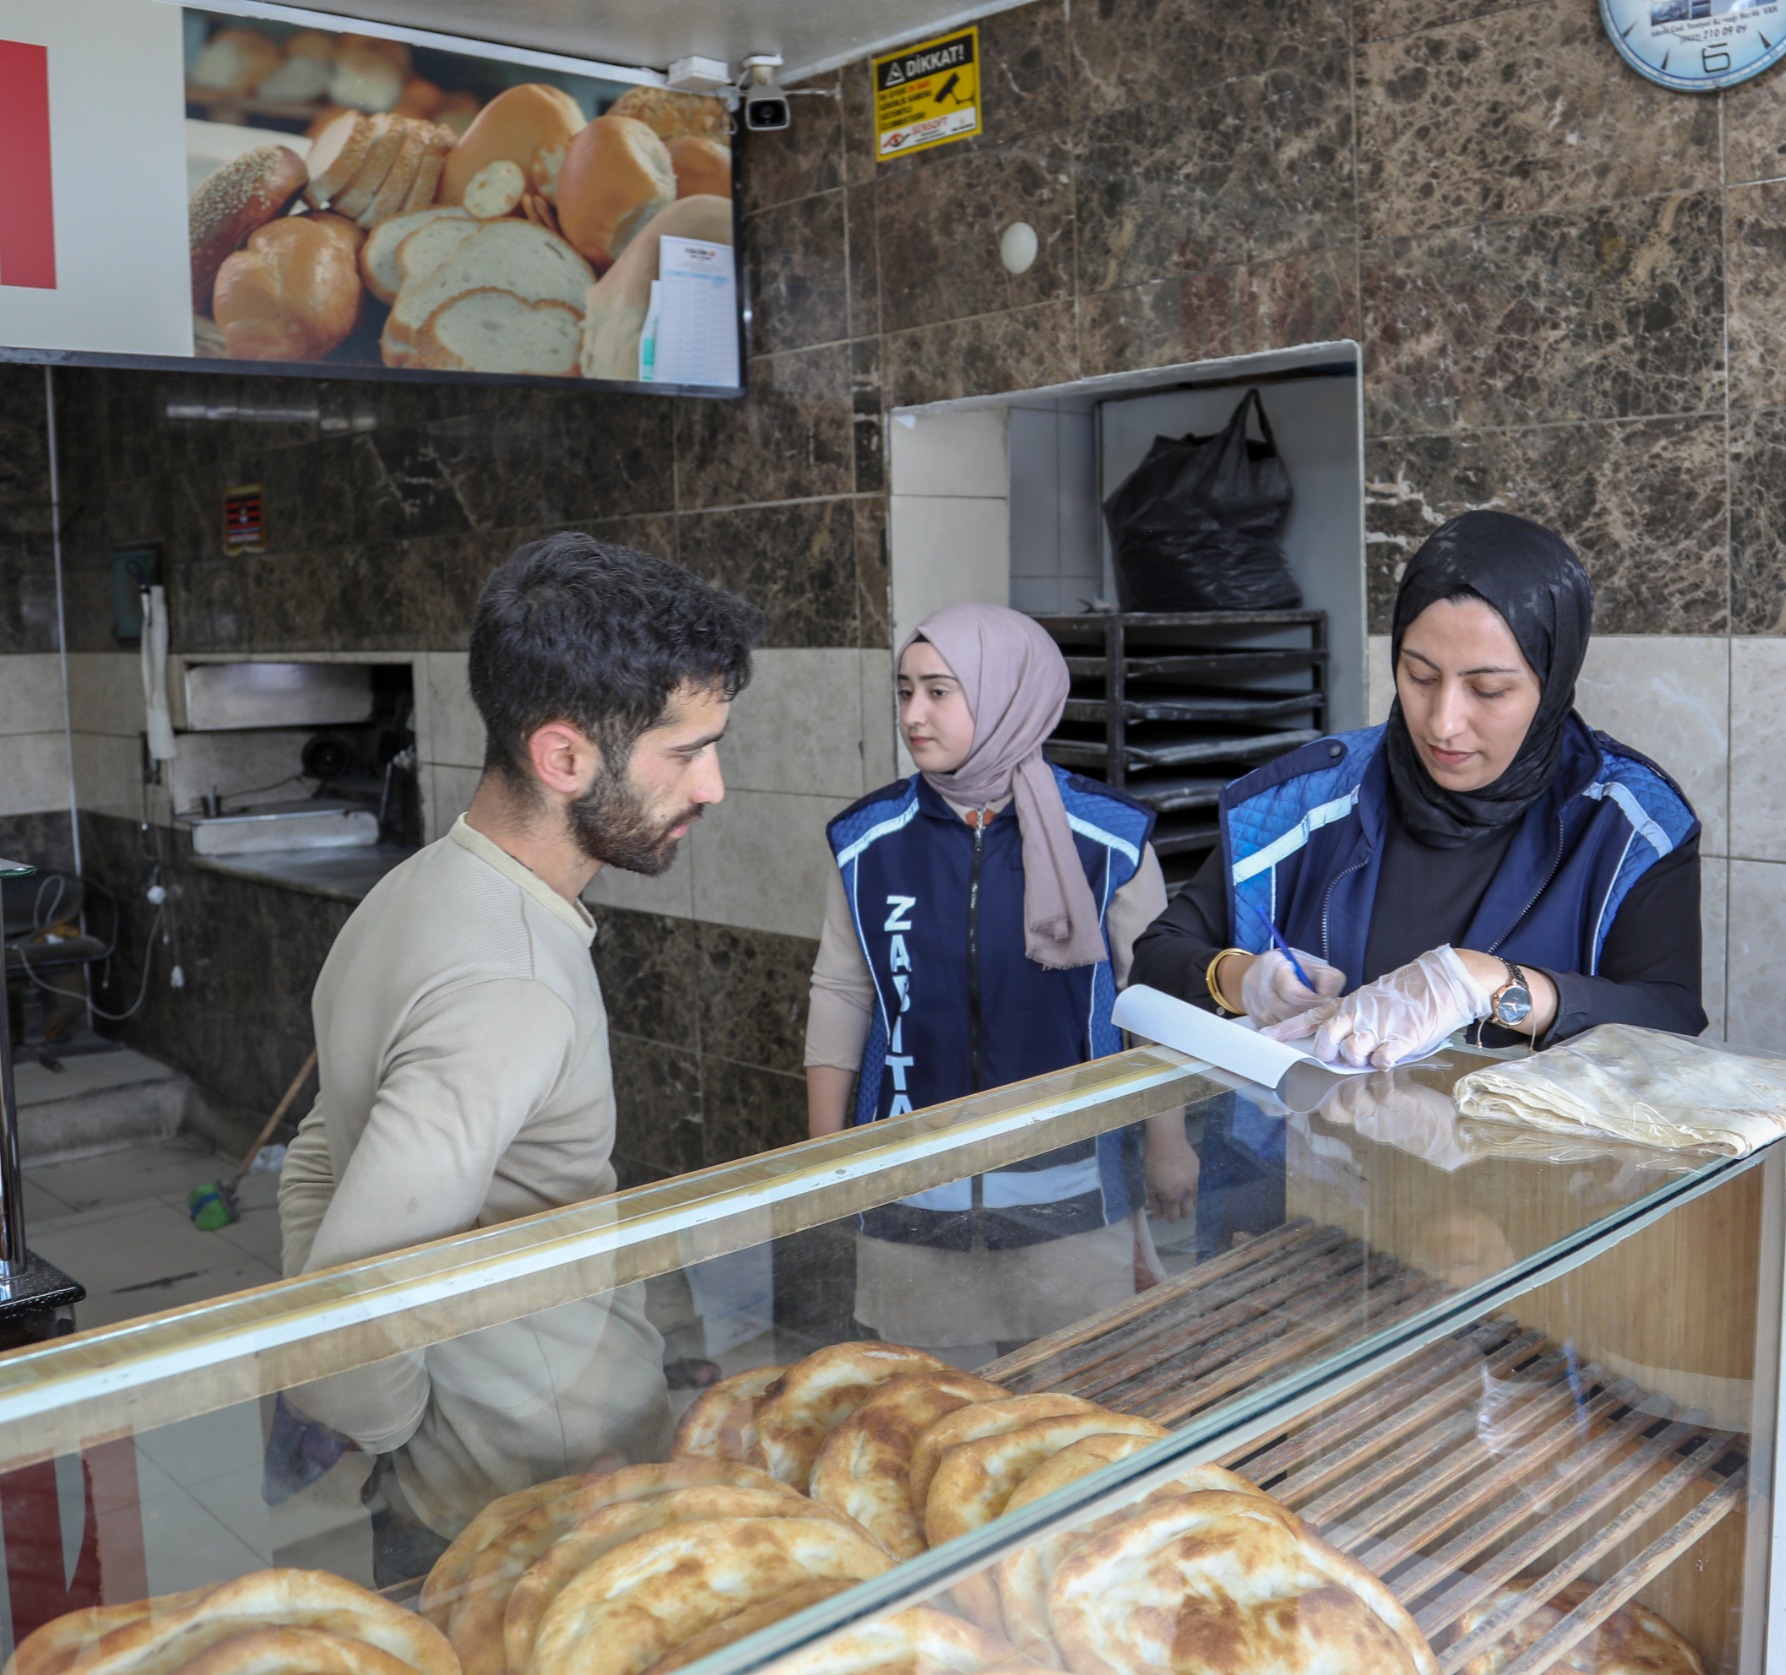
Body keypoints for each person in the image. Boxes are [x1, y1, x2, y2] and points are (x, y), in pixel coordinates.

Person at [278, 532, 764, 1581]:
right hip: (523, 1503)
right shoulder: (510, 989)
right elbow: (349, 1306)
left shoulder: (416, 891)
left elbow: (319, 1154)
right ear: (563, 757)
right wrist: (407, 1433)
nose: (714, 785)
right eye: (685, 751)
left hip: (506, 1464)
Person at [1129, 510, 1705, 1253]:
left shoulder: (1627, 826)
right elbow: (1159, 953)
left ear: (1553, 678)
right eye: (1419, 675)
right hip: (1306, 1226)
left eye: (1489, 690)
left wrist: (1488, 984)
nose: (1444, 721)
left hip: (1526, 1234)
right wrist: (1244, 980)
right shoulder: (1305, 805)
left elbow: (1669, 1019)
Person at [804, 603, 1194, 1367]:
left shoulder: (1108, 839)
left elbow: (1149, 1003)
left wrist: (1168, 1140)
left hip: (1073, 1197)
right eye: (904, 691)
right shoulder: (868, 843)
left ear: (1010, 692)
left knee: (1069, 1418)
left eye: (940, 691)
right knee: (930, 1430)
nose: (913, 715)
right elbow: (843, 991)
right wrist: (824, 1154)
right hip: (912, 1199)